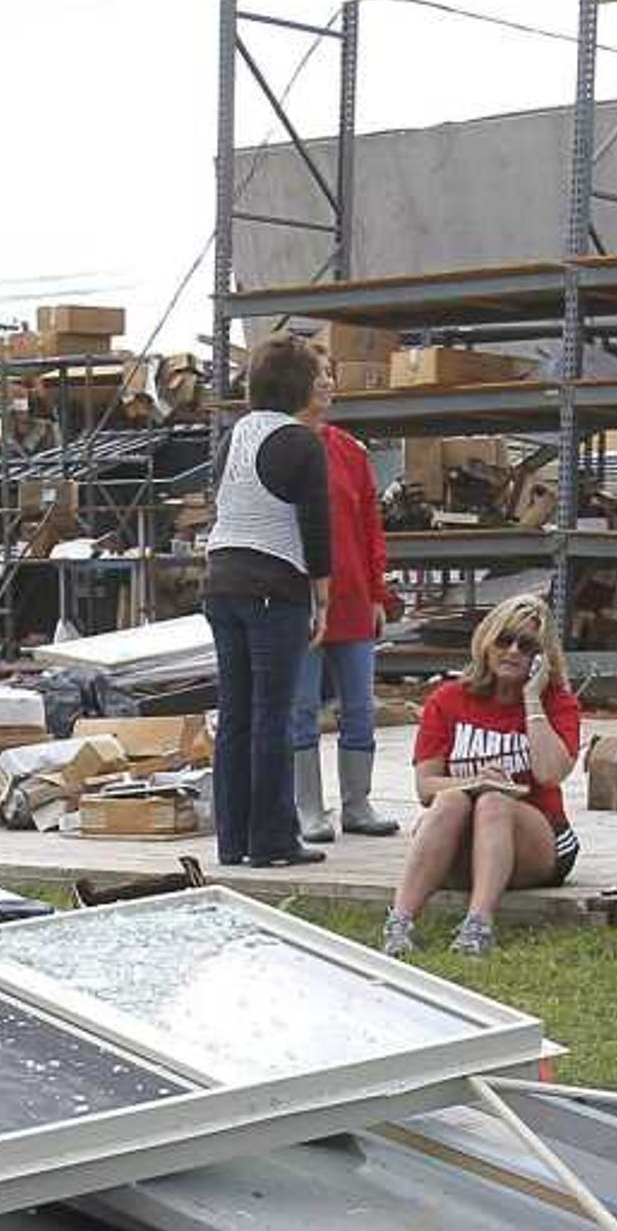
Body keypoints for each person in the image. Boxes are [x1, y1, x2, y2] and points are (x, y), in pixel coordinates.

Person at [385, 594, 583, 957]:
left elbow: (550, 774)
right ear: (486, 641)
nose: (512, 651)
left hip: (538, 839)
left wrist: (533, 701)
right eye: (504, 639)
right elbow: (425, 788)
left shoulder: (558, 702)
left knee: (494, 802)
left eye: (526, 646)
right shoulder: (448, 699)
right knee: (451, 799)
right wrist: (477, 781)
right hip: (463, 840)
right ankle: (399, 922)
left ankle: (479, 925)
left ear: (541, 657)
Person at [200, 335, 332, 867]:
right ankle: (273, 840)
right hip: (274, 588)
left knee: (235, 715)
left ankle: (232, 841)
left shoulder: (235, 436)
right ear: (299, 385)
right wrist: (322, 596)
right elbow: (316, 528)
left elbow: (220, 496)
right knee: (271, 717)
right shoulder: (301, 442)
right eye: (318, 375)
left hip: (222, 582)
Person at [293, 354, 398, 842]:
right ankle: (308, 808)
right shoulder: (284, 447)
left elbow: (370, 527)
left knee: (359, 704)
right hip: (299, 599)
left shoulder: (349, 451)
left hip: (353, 597)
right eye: (320, 377)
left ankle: (357, 803)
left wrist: (377, 594)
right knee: (301, 708)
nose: (329, 384)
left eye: (331, 375)